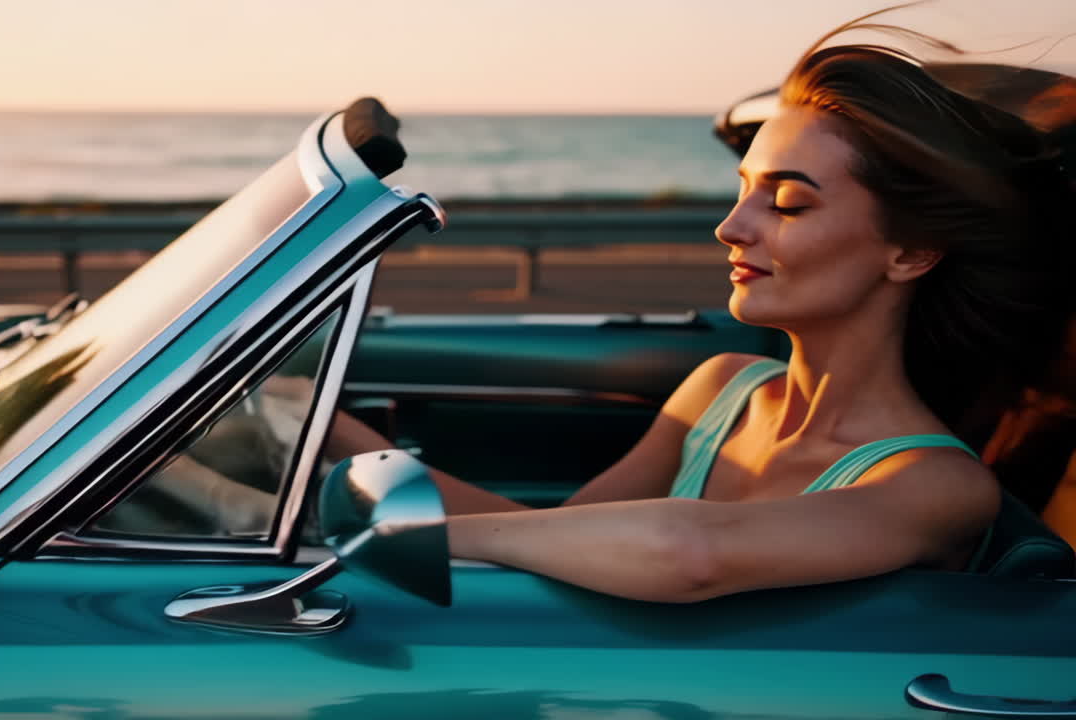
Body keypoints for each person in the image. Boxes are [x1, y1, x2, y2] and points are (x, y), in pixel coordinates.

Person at [325, 12, 1075, 602]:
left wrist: (404, 528)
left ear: (910, 252)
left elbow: (688, 552)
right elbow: (549, 536)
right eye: (743, 188)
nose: (732, 226)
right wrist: (315, 427)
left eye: (785, 202)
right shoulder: (724, 389)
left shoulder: (935, 487)